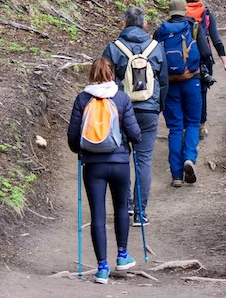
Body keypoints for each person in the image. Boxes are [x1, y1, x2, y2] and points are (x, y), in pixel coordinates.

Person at [67, 58, 142, 284]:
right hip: (119, 164)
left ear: (92, 74)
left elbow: (73, 138)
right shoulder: (121, 98)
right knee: (121, 208)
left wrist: (81, 151)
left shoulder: (82, 99)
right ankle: (122, 256)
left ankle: (101, 268)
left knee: (97, 215)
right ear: (112, 74)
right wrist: (131, 140)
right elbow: (135, 134)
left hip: (93, 166)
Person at [102, 6, 167, 227]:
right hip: (148, 111)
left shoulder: (113, 48)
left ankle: (126, 206)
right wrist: (158, 107)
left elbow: (104, 81)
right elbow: (164, 82)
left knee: (121, 159)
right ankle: (141, 213)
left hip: (121, 110)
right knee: (144, 161)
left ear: (124, 24)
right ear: (145, 24)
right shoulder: (156, 47)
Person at [153, 0, 210, 187]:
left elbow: (153, 59)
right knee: (193, 123)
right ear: (185, 11)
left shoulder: (160, 31)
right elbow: (205, 53)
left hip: (169, 85)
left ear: (169, 12)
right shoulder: (194, 27)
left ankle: (176, 175)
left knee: (175, 128)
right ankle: (189, 158)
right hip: (192, 81)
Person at [183, 0, 226, 140]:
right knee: (201, 92)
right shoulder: (206, 13)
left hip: (183, 59)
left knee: (184, 91)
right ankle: (201, 125)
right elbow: (216, 40)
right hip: (203, 60)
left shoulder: (179, 13)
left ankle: (186, 127)